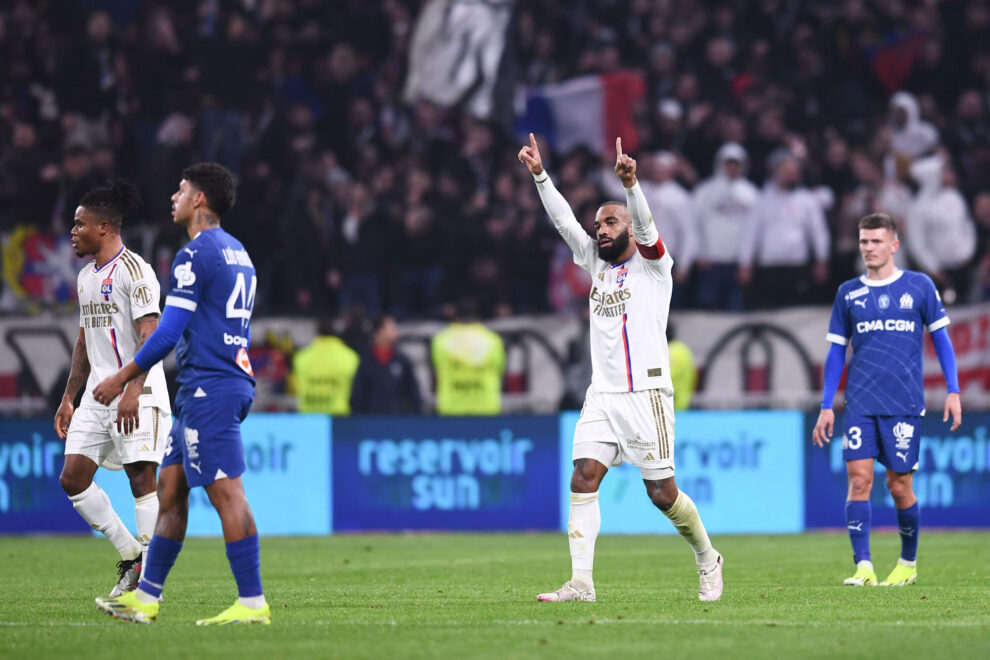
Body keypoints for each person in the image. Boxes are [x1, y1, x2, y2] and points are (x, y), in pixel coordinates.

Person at [519, 133, 722, 602]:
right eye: (599, 224)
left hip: (646, 396)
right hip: (602, 395)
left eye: (611, 222)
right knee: (583, 476)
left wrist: (632, 187)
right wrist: (540, 176)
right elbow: (564, 222)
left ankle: (708, 557)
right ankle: (581, 583)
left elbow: (647, 228)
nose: (601, 230)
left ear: (630, 227)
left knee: (662, 495)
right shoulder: (597, 264)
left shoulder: (655, 266)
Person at [91, 163, 269, 625]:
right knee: (170, 489)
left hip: (212, 386)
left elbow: (168, 332)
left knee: (227, 493)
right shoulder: (239, 252)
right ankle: (147, 597)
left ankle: (252, 603)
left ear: (200, 200)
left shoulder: (194, 255)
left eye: (182, 189)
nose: (174, 196)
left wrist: (122, 377)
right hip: (211, 384)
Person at [812, 213, 962, 588]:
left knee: (899, 486)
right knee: (859, 481)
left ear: (894, 245)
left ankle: (907, 564)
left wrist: (954, 390)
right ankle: (863, 567)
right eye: (864, 241)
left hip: (903, 403)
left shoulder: (919, 286)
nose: (869, 248)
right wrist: (827, 405)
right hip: (860, 402)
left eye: (877, 241)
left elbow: (942, 340)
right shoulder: (848, 293)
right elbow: (836, 351)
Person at [54, 179, 171, 599]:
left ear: (103, 227)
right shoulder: (86, 276)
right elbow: (84, 340)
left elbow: (151, 334)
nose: (73, 232)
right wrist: (69, 398)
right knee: (73, 478)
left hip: (138, 393)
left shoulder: (136, 272)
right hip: (96, 396)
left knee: (141, 479)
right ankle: (131, 555)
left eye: (79, 224)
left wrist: (133, 389)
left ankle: (150, 582)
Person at [737, 148, 830, 308]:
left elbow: (818, 233)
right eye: (788, 171)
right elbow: (750, 235)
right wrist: (745, 263)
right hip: (769, 267)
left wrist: (822, 260)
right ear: (775, 172)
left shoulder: (807, 200)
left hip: (797, 266)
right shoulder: (761, 201)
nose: (793, 175)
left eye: (795, 172)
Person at [691, 142, 759, 310]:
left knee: (735, 309)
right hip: (710, 260)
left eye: (736, 164)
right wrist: (701, 252)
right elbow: (695, 224)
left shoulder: (751, 193)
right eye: (728, 163)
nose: (732, 168)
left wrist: (747, 261)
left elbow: (753, 231)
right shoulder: (704, 190)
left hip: (737, 262)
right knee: (707, 308)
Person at [431, 300, 505, 416]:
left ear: (455, 315)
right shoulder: (492, 340)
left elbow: (438, 370)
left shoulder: (441, 340)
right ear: (477, 316)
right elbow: (499, 370)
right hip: (486, 407)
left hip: (451, 408)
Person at [350, 315, 423, 415]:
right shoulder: (366, 361)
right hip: (372, 419)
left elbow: (413, 392)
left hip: (398, 419)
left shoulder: (402, 360)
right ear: (379, 331)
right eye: (391, 328)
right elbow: (357, 395)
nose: (395, 331)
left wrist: (417, 415)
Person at [292, 317, 360, 416]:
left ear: (318, 333)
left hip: (309, 415)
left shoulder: (301, 357)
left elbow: (296, 386)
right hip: (339, 416)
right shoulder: (351, 357)